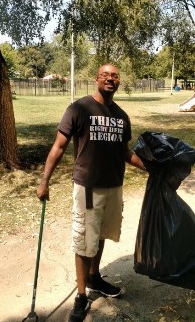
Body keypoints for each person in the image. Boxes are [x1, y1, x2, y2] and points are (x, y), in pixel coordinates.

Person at [37, 63, 146, 322]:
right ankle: (81, 295)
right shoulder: (78, 108)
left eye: (115, 76)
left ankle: (95, 276)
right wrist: (44, 181)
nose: (110, 79)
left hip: (114, 186)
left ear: (119, 82)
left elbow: (124, 152)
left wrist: (149, 166)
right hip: (87, 187)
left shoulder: (121, 116)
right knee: (84, 239)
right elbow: (59, 147)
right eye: (105, 75)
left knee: (101, 235)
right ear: (97, 79)